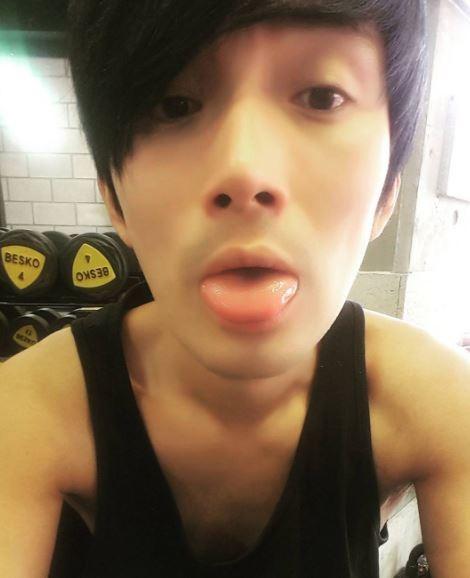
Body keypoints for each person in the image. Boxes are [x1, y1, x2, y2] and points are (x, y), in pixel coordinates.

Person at [0, 1, 469, 576]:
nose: (245, 172)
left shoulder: (442, 401)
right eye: (175, 105)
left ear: (388, 189)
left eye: (322, 96)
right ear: (113, 195)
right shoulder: (25, 411)